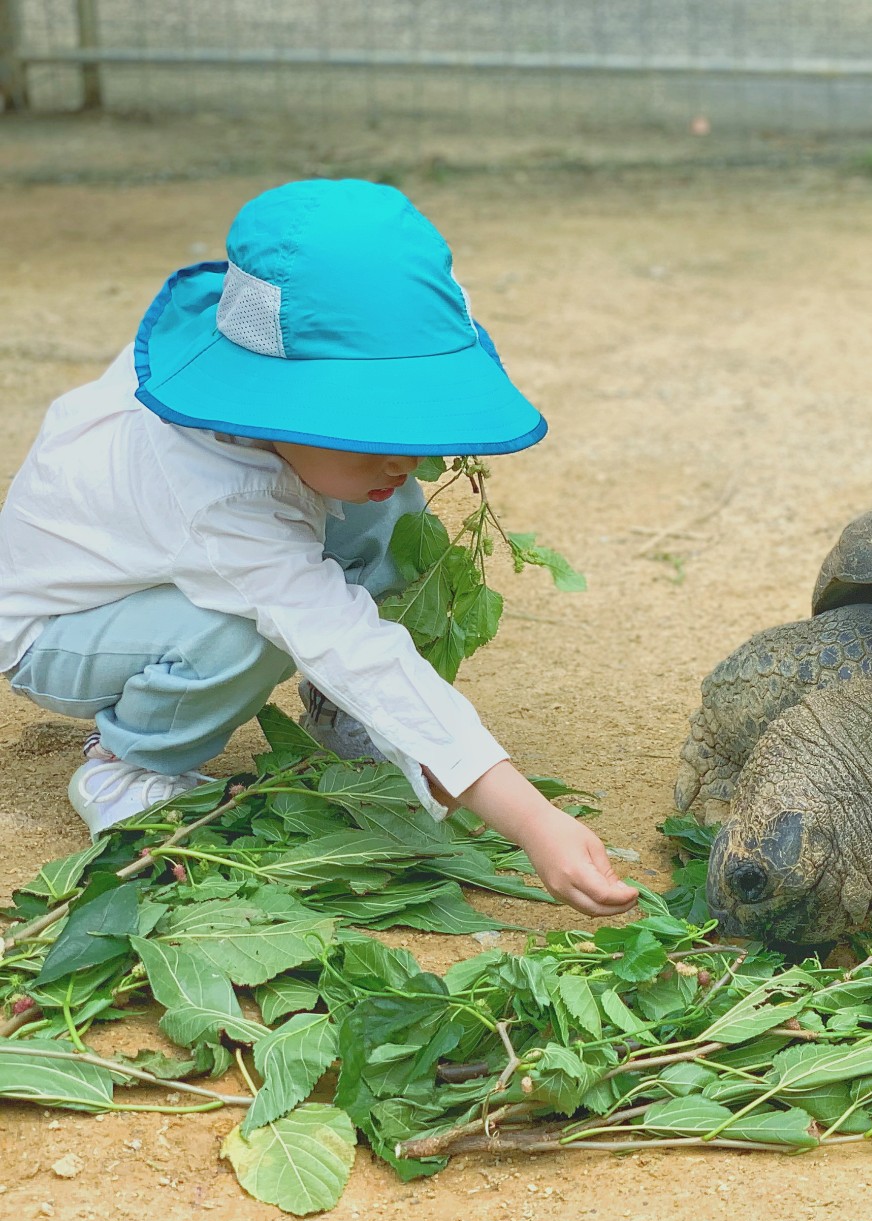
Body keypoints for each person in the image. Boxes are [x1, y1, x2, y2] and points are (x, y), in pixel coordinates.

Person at [0, 178, 637, 917]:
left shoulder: (253, 395)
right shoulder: (219, 501)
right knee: (242, 630)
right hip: (62, 629)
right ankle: (132, 762)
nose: (402, 452)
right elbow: (346, 638)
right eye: (366, 422)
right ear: (271, 400)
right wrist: (532, 820)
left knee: (387, 501)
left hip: (162, 567)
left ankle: (338, 714)